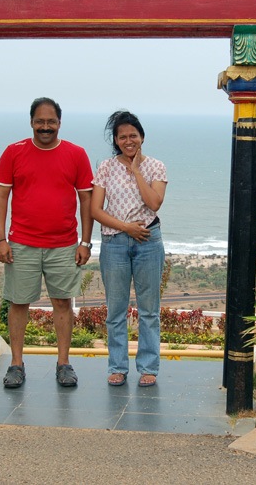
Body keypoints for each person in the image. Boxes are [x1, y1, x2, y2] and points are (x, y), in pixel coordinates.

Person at [0, 97, 94, 388]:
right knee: (19, 302)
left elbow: (86, 199)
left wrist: (85, 242)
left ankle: (63, 363)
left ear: (59, 123)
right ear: (31, 122)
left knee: (62, 302)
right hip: (22, 242)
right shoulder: (14, 152)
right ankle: (16, 364)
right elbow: (1, 197)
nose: (45, 127)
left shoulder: (76, 154)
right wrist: (1, 239)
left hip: (63, 244)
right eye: (40, 121)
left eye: (51, 122)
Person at [91, 110, 167, 387]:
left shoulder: (156, 167)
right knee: (116, 310)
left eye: (133, 135)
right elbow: (95, 210)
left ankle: (148, 367)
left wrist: (136, 170)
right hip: (115, 243)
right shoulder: (106, 168)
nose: (128, 141)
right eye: (122, 137)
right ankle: (118, 367)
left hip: (148, 241)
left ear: (142, 137)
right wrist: (126, 227)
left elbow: (154, 203)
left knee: (149, 310)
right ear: (116, 140)